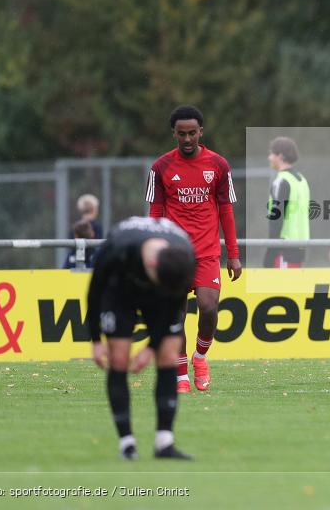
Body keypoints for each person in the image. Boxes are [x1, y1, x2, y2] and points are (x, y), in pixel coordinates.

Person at [145, 105, 242, 393]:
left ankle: (200, 358)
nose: (187, 139)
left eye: (192, 133)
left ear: (201, 132)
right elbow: (155, 213)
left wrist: (234, 254)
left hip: (207, 252)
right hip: (174, 254)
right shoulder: (161, 167)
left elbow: (226, 212)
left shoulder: (218, 166)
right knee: (175, 314)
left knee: (209, 307)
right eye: (181, 134)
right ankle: (180, 373)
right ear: (173, 133)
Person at [88, 216, 196, 460]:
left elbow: (173, 306)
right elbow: (94, 292)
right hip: (120, 291)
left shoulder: (184, 257)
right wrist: (95, 340)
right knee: (118, 358)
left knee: (169, 354)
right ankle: (127, 444)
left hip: (160, 297)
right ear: (150, 262)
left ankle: (164, 443)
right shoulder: (116, 249)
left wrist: (151, 348)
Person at [265, 136, 310, 268]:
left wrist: (270, 250)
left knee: (280, 288)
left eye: (272, 153)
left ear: (280, 156)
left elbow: (276, 218)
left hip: (283, 249)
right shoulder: (302, 180)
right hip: (300, 248)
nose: (270, 157)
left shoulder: (281, 181)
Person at [64, 194, 103, 268]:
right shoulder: (97, 226)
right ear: (93, 209)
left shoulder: (75, 226)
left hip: (74, 262)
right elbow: (98, 247)